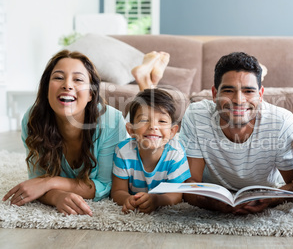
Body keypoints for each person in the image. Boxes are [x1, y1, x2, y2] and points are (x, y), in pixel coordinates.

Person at [2, 50, 128, 216]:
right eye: (59, 77)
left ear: (91, 94)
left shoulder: (112, 120)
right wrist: (57, 196)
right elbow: (37, 180)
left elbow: (105, 186)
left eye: (78, 79)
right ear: (47, 88)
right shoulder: (32, 119)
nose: (67, 85)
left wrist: (49, 183)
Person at [179, 52, 293, 214]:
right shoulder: (196, 115)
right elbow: (189, 182)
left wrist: (270, 199)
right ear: (215, 94)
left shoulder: (282, 122)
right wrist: (214, 204)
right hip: (213, 192)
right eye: (229, 90)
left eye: (248, 91)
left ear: (260, 94)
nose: (238, 100)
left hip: (267, 187)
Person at [111, 88, 191, 214]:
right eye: (144, 120)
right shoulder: (123, 151)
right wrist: (128, 199)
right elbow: (117, 191)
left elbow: (176, 195)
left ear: (172, 131)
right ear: (131, 130)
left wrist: (157, 200)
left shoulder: (176, 153)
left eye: (162, 121)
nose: (153, 126)